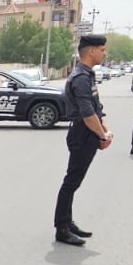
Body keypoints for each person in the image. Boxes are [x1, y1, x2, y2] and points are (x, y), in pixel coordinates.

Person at [54, 34, 112, 247]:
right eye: (102, 49)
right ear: (91, 51)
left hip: (88, 131)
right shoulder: (80, 78)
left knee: (74, 182)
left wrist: (105, 130)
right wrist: (101, 135)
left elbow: (97, 108)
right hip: (82, 133)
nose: (104, 53)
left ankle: (68, 222)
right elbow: (87, 114)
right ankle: (62, 228)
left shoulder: (87, 74)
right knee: (71, 182)